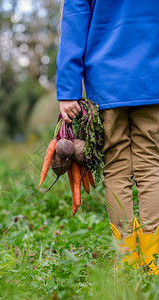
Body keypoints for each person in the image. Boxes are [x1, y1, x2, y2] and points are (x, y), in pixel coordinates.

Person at [56, 0, 159, 273]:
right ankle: (153, 258)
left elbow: (74, 24)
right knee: (151, 167)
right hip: (152, 77)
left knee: (115, 169)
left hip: (107, 82)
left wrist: (67, 89)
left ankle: (126, 258)